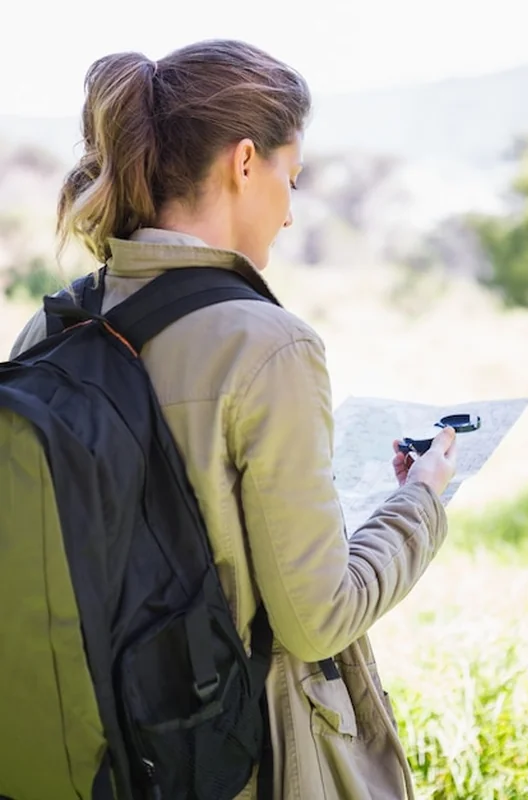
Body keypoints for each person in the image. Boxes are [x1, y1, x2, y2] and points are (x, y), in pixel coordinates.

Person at [10, 39, 456, 800]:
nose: (289, 210)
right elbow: (319, 620)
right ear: (244, 162)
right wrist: (421, 503)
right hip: (238, 763)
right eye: (292, 176)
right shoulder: (267, 344)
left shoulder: (50, 333)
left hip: (91, 764)